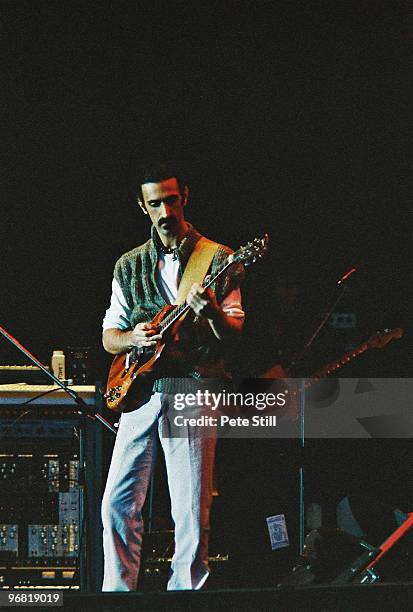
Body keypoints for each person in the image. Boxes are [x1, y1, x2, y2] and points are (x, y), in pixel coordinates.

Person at [101, 163, 245, 591]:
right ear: (143, 208)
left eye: (171, 200)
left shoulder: (218, 258)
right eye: (155, 203)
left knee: (189, 510)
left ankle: (186, 594)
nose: (165, 211)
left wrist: (211, 313)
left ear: (185, 197)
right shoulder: (128, 265)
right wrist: (131, 338)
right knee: (116, 503)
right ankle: (117, 592)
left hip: (192, 388)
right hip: (140, 393)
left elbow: (234, 334)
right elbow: (110, 335)